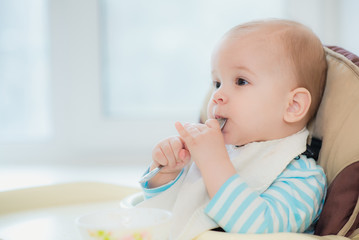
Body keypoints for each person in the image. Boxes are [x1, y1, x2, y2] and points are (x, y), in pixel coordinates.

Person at [137, 19, 327, 240]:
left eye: (241, 81)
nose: (216, 95)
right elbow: (174, 212)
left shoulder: (303, 177)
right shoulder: (219, 150)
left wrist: (214, 163)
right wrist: (167, 174)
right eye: (217, 82)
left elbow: (262, 229)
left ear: (293, 106)